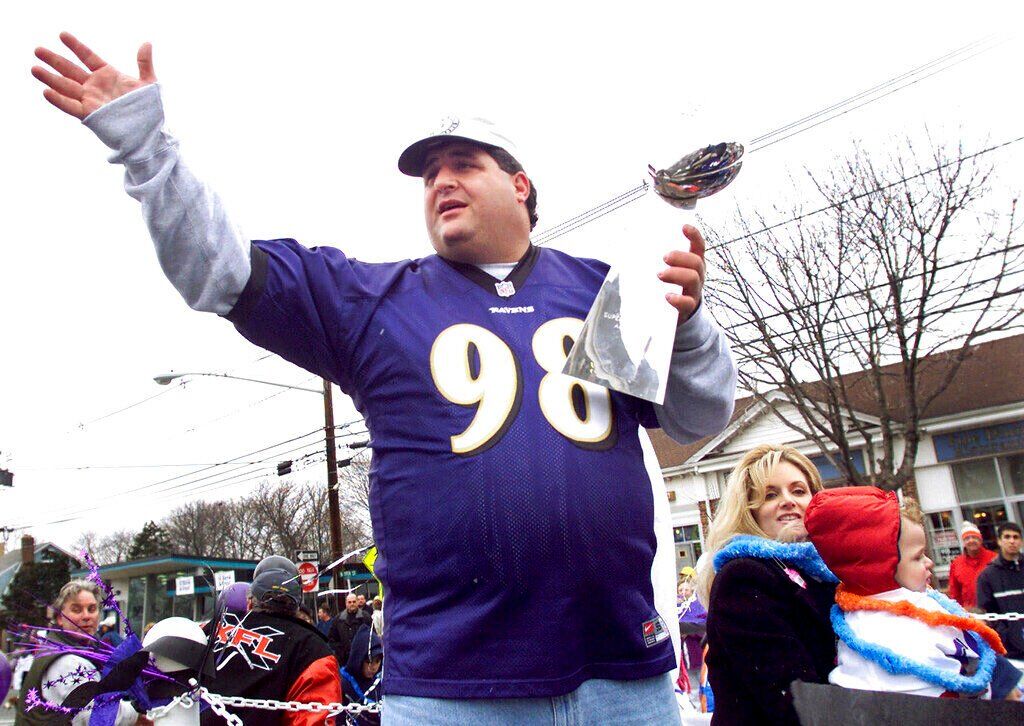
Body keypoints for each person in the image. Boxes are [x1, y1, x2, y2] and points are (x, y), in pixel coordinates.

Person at [31, 33, 736, 723]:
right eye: (430, 176)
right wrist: (146, 148)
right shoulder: (375, 302)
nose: (441, 182)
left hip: (623, 677)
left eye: (464, 164)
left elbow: (699, 418)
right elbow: (218, 269)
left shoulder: (602, 291)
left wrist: (690, 319)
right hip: (451, 690)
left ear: (520, 184)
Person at [805, 488, 1004, 698]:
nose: (930, 562)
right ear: (880, 564)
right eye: (918, 557)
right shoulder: (885, 634)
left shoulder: (917, 602)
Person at [699, 444, 836, 725]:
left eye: (798, 491)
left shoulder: (823, 572)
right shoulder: (744, 577)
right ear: (750, 510)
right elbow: (792, 697)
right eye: (770, 495)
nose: (788, 501)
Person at [207, 555, 341, 725]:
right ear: (298, 605)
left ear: (249, 601)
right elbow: (313, 718)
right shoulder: (314, 651)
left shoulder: (213, 628)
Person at [15, 580, 150, 726]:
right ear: (60, 618)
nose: (86, 616)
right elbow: (100, 713)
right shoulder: (67, 662)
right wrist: (136, 714)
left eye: (92, 609)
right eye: (76, 610)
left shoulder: (79, 649)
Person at [977, 522, 1024, 660]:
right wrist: (1008, 635)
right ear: (999, 541)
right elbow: (988, 612)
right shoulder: (988, 576)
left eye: (1016, 537)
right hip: (1011, 649)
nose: (1012, 541)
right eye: (1007, 537)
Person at [947, 521, 997, 610]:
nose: (971, 540)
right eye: (967, 538)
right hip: (970, 612)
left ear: (980, 539)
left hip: (995, 609)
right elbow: (955, 592)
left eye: (974, 537)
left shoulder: (994, 558)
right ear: (963, 542)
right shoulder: (956, 563)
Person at [340, 625, 383, 726]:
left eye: (377, 661)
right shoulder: (344, 684)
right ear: (358, 658)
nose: (373, 667)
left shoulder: (379, 683)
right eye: (368, 661)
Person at [328, 594, 372, 669]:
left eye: (354, 602)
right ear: (346, 603)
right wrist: (341, 650)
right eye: (349, 602)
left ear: (357, 602)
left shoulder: (366, 617)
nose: (352, 604)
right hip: (344, 660)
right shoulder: (338, 619)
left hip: (362, 659)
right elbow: (332, 639)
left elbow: (372, 636)